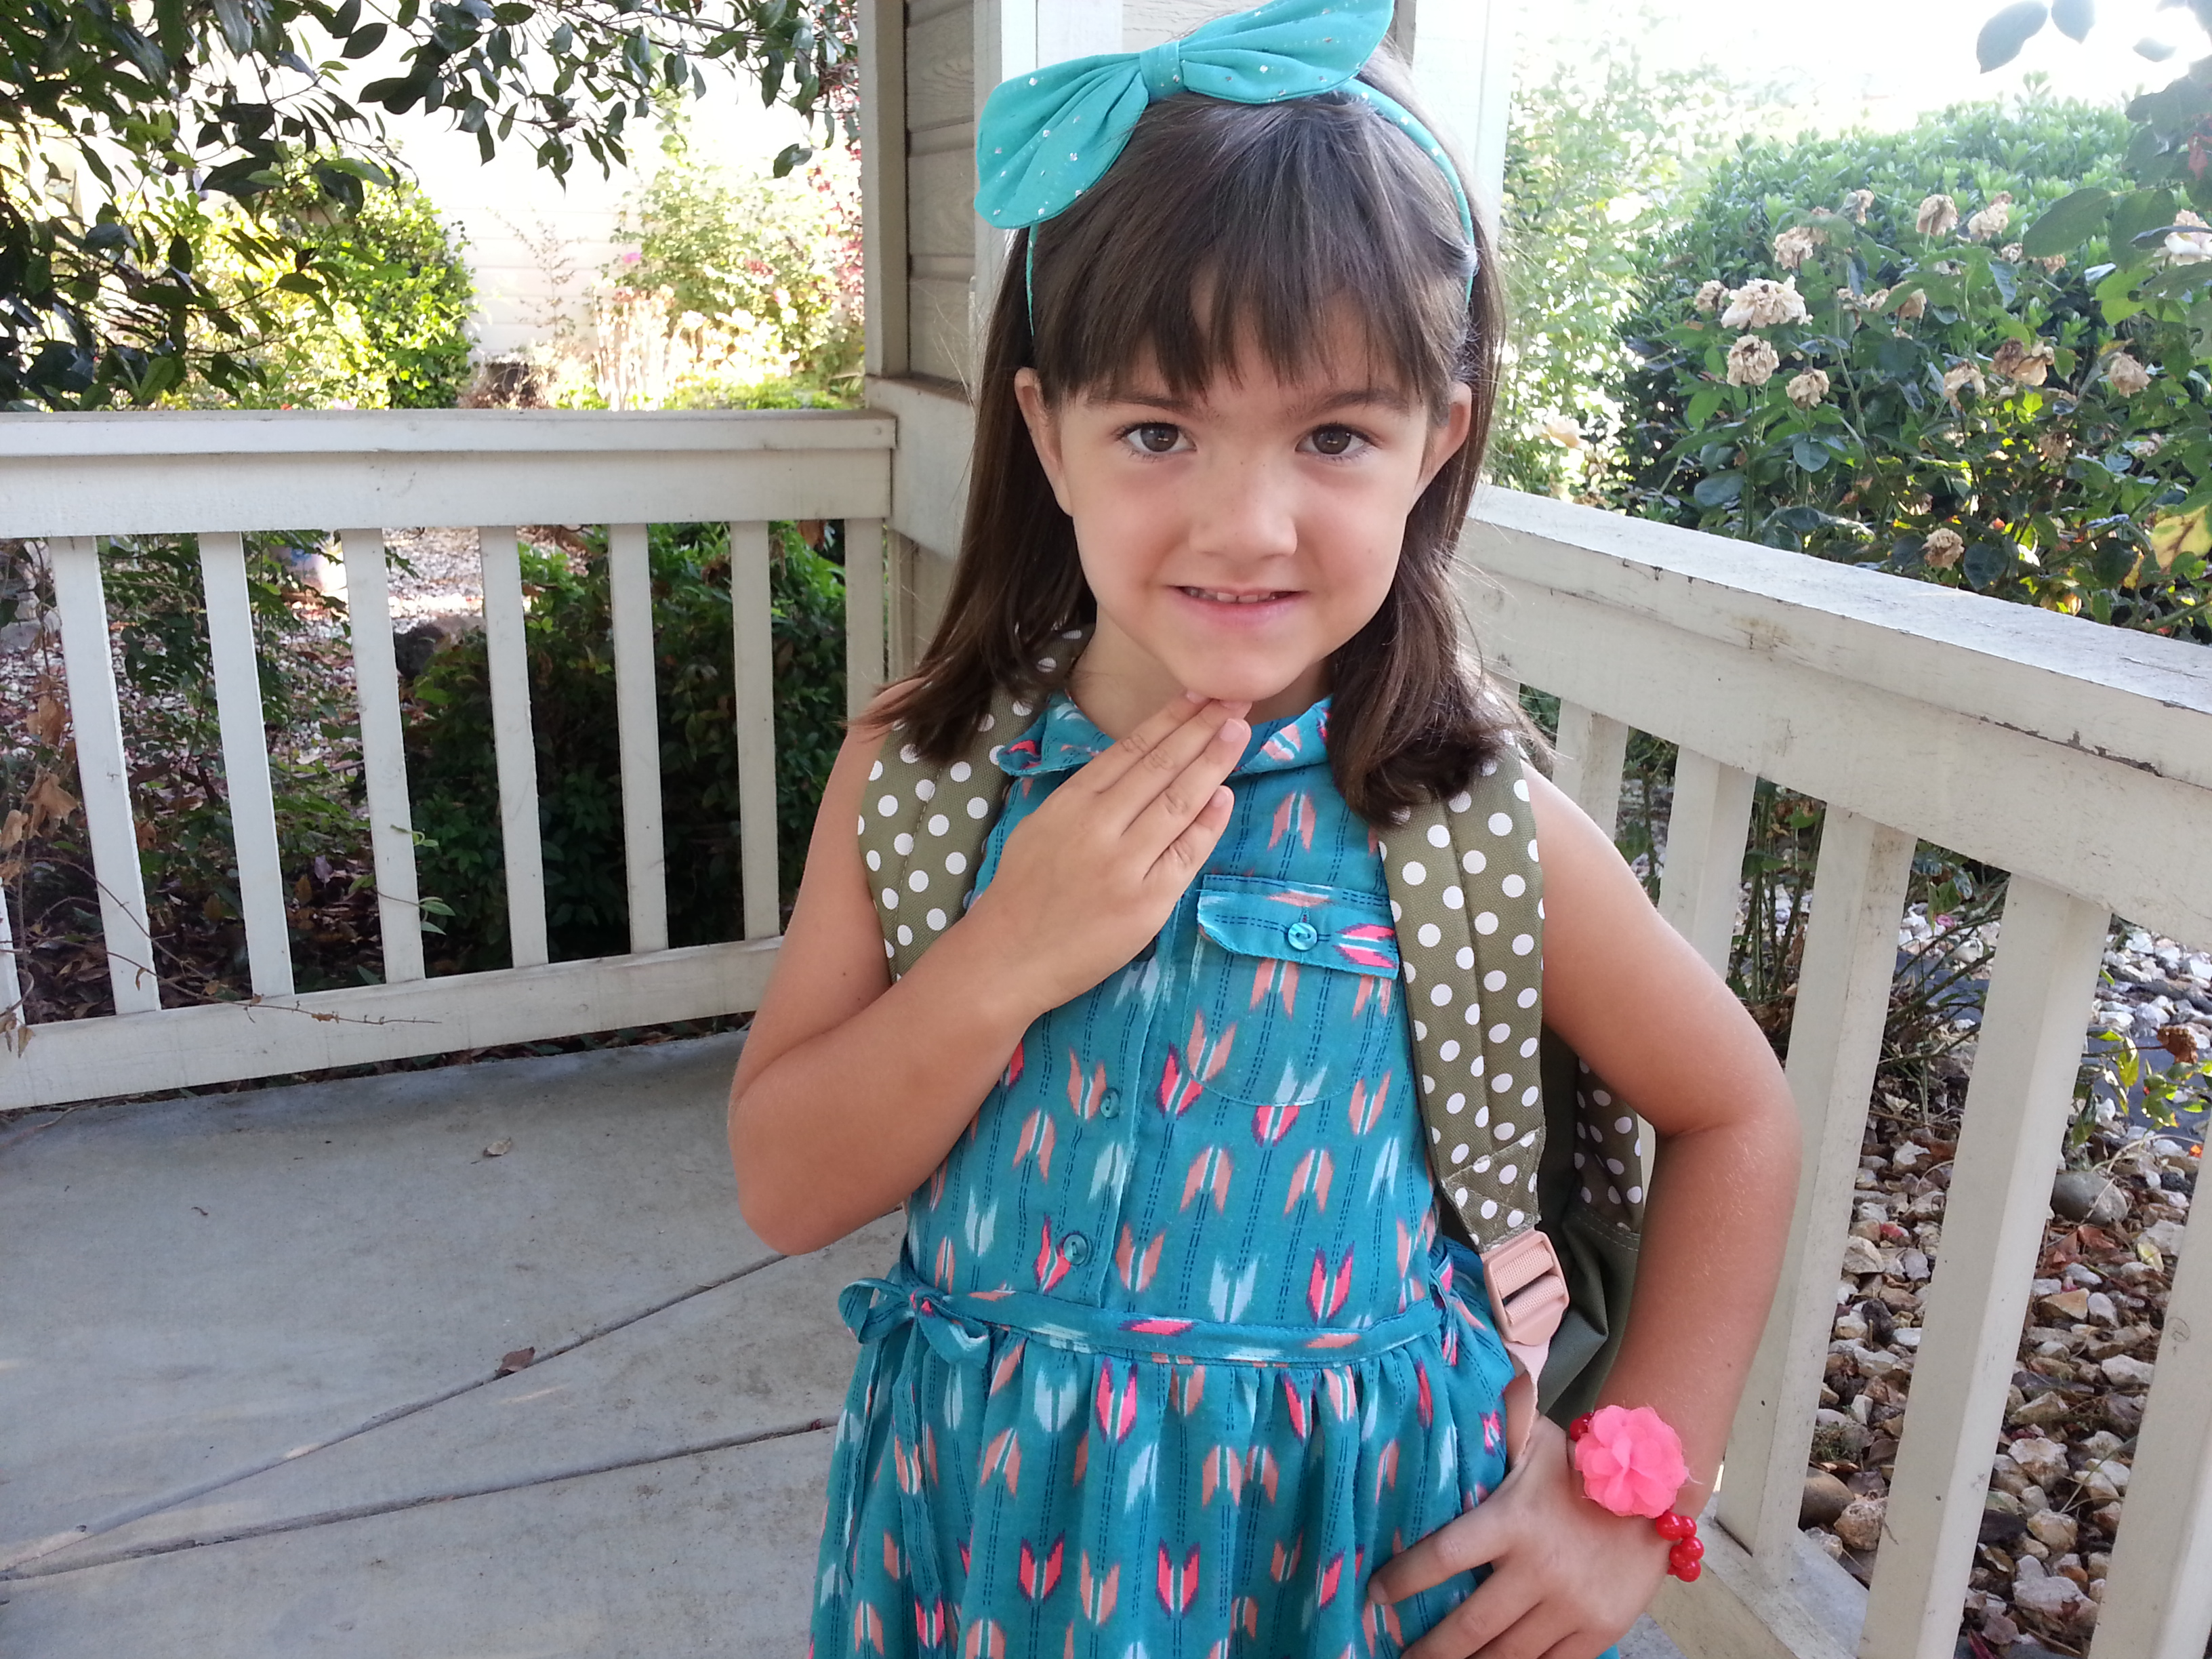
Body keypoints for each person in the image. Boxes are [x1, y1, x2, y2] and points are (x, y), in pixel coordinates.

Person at [728, 3, 1800, 1654]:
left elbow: (1737, 1116)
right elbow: (788, 1188)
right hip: (991, 1542)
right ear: (1049, 435)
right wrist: (1007, 956)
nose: (1247, 524)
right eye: (1158, 430)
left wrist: (1627, 1498)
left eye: (1335, 435)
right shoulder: (929, 774)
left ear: (1436, 442)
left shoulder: (1464, 824)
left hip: (1349, 1564)